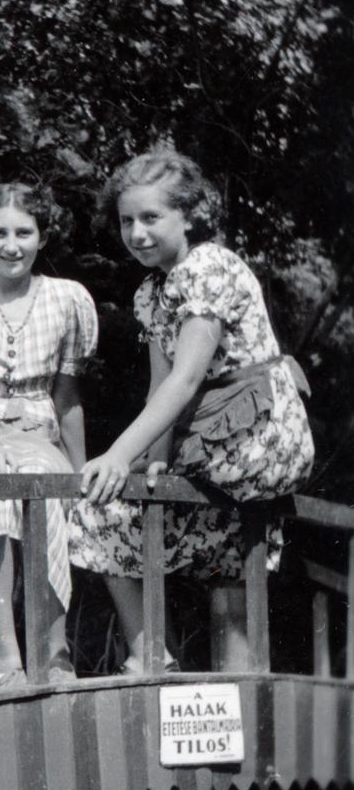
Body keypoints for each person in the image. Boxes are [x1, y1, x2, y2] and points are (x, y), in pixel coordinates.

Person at [70, 149, 314, 674]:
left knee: (105, 505)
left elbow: (185, 379)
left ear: (189, 215)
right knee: (126, 507)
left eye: (151, 218)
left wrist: (117, 455)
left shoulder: (207, 267)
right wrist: (155, 460)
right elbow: (160, 381)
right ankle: (162, 657)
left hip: (257, 434)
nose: (137, 233)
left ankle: (153, 655)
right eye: (126, 221)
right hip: (214, 440)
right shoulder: (150, 292)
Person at [0, 182, 98, 687]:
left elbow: (67, 396)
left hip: (38, 432)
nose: (11, 245)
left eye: (24, 232)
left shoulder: (66, 300)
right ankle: (6, 655)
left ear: (42, 238)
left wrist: (80, 472)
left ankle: (54, 650)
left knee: (45, 489)